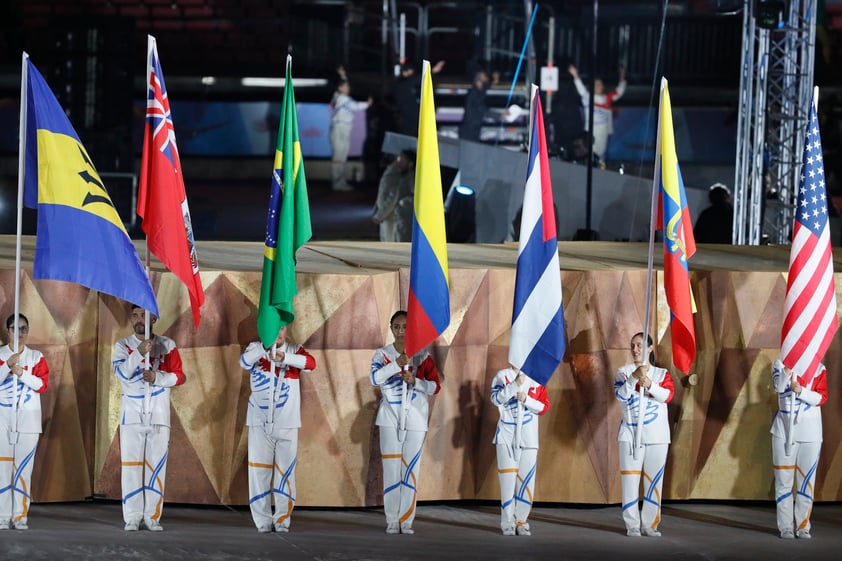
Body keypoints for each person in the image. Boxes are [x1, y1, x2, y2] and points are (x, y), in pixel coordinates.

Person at [112, 305, 186, 532]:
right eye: (134, 315)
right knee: (131, 467)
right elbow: (123, 375)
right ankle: (132, 517)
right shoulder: (122, 345)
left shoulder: (167, 345)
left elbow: (180, 376)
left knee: (156, 466)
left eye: (143, 314)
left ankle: (152, 517)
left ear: (153, 317)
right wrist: (140, 353)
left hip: (159, 414)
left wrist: (157, 377)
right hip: (132, 415)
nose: (138, 319)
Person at [240, 324, 316, 533]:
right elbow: (244, 362)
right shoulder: (255, 348)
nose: (278, 333)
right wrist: (265, 347)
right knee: (258, 473)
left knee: (285, 473)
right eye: (273, 328)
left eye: (281, 329)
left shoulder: (295, 350)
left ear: (286, 330)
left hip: (288, 423)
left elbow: (311, 364)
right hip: (259, 422)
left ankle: (282, 519)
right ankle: (262, 520)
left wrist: (285, 358)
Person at [370, 310, 441, 534]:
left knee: (411, 470)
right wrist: (396, 364)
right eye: (397, 327)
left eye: (405, 327)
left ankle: (406, 521)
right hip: (390, 418)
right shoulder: (382, 355)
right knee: (391, 470)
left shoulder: (422, 356)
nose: (401, 331)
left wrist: (416, 381)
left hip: (416, 420)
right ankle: (392, 520)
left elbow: (434, 386)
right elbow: (375, 378)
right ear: (391, 329)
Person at [614, 332, 674, 537]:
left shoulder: (662, 373)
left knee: (654, 481)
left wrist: (648, 383)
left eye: (640, 345)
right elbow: (621, 396)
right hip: (630, 434)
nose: (635, 349)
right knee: (630, 482)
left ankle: (650, 524)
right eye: (632, 345)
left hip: (657, 435)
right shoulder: (623, 372)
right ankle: (632, 524)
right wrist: (633, 378)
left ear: (650, 348)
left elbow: (667, 395)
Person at [0, 313, 49, 530]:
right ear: (7, 331)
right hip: (3, 420)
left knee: (23, 470)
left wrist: (20, 372)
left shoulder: (36, 357)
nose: (19, 333)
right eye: (15, 328)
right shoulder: (1, 354)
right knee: (2, 469)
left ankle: (20, 516)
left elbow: (41, 385)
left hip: (28, 421)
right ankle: (2, 516)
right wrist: (6, 366)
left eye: (23, 329)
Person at [770, 359, 827, 539]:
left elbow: (821, 397)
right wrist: (788, 370)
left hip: (811, 432)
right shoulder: (779, 364)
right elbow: (778, 387)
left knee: (806, 483)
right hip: (783, 432)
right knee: (783, 482)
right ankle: (786, 526)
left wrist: (801, 391)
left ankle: (803, 526)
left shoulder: (818, 368)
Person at [490, 365, 550, 536]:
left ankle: (521, 521)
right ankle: (507, 522)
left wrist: (526, 400)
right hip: (506, 436)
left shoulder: (537, 378)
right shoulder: (502, 376)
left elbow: (544, 407)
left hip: (529, 438)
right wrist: (514, 385)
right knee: (507, 482)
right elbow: (495, 399)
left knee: (526, 482)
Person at [569, 64, 627, 161]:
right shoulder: (588, 98)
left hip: (603, 134)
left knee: (599, 157)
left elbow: (619, 91)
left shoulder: (607, 99)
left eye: (599, 84)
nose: (597, 86)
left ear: (603, 86)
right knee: (588, 156)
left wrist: (622, 75)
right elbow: (581, 90)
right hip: (590, 134)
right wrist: (575, 75)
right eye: (595, 84)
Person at [329, 78, 373, 192]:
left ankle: (340, 181)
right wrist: (367, 104)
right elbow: (356, 106)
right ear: (340, 88)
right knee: (338, 158)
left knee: (341, 158)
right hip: (339, 130)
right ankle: (337, 182)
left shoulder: (338, 97)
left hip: (343, 130)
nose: (348, 88)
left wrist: (343, 75)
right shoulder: (342, 98)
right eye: (346, 86)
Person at [373, 150, 416, 242]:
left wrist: (380, 215)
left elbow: (393, 197)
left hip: (392, 216)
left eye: (402, 160)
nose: (398, 162)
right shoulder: (399, 175)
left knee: (389, 242)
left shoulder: (402, 177)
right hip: (390, 215)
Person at [392, 61, 445, 136]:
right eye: (411, 72)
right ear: (406, 71)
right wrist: (433, 71)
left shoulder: (400, 83)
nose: (412, 75)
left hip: (407, 115)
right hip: (409, 116)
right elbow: (418, 79)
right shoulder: (403, 83)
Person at [459, 69, 490, 142]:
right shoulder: (474, 94)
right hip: (469, 130)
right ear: (478, 81)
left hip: (473, 129)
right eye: (484, 78)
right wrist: (501, 115)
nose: (486, 80)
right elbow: (482, 109)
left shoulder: (479, 92)